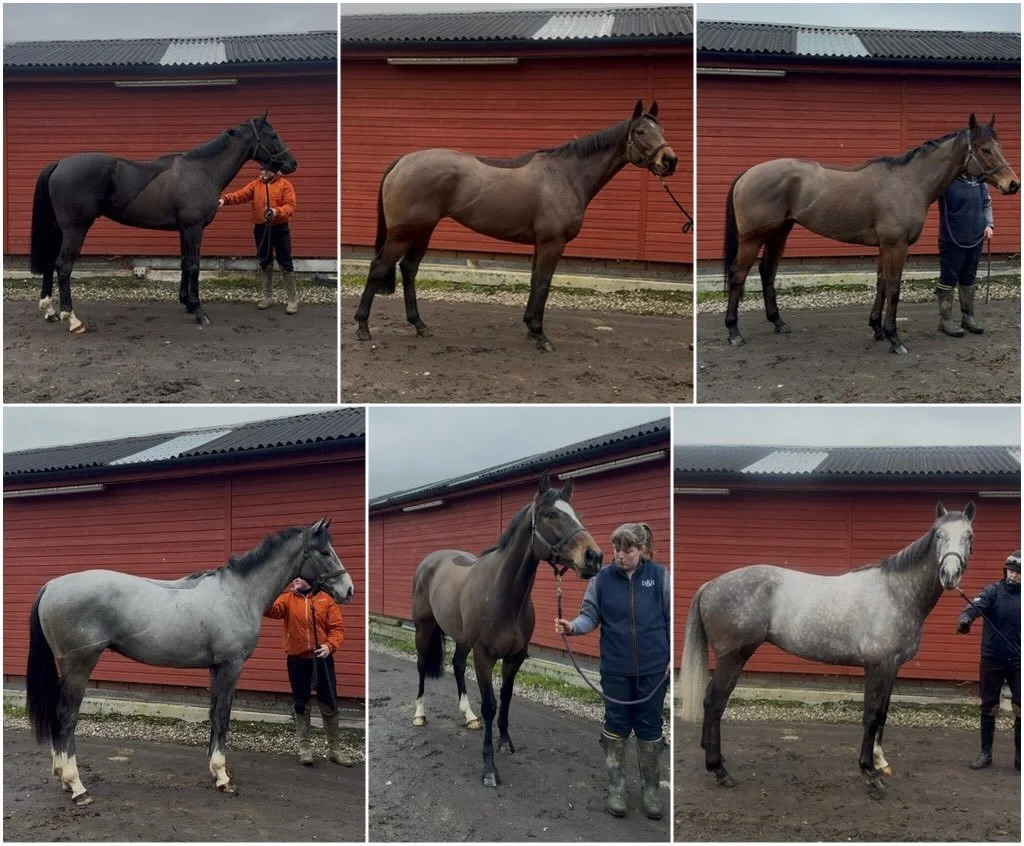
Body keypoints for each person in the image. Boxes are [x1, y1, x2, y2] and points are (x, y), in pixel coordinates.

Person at [555, 522, 670, 819]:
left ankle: (651, 790)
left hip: (654, 669)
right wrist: (572, 627)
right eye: (616, 549)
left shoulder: (659, 576)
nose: (619, 555)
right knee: (616, 726)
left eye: (627, 550)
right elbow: (588, 616)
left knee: (650, 727)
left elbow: (670, 618)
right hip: (615, 669)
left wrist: (673, 657)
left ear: (641, 550)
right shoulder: (602, 580)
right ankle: (616, 788)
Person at [264, 576, 353, 766]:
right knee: (300, 704)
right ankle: (305, 750)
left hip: (322, 659)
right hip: (297, 661)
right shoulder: (286, 599)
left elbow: (337, 629)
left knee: (329, 703)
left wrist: (330, 646)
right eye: (294, 577)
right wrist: (270, 588)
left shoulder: (326, 599)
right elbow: (271, 610)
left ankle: (334, 751)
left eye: (300, 577)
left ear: (311, 579)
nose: (295, 579)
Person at [956, 549, 1020, 771]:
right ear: (1006, 571)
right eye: (1011, 571)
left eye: (1019, 573)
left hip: (1018, 661)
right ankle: (985, 754)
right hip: (992, 658)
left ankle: (1020, 758)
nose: (1014, 575)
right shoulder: (993, 591)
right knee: (988, 706)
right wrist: (965, 619)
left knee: (1021, 707)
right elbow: (975, 607)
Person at [219, 164, 298, 313]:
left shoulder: (285, 185)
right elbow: (241, 195)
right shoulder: (256, 184)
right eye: (261, 169)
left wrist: (276, 211)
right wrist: (225, 199)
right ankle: (267, 297)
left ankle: (292, 300)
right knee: (265, 262)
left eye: (266, 170)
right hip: (261, 229)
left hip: (280, 228)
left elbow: (290, 206)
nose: (263, 172)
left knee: (285, 263)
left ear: (274, 171)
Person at [936, 172, 993, 337]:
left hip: (976, 237)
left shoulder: (980, 182)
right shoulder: (947, 181)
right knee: (948, 278)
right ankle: (945, 320)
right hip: (952, 238)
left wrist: (989, 225)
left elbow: (986, 204)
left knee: (969, 278)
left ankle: (968, 318)